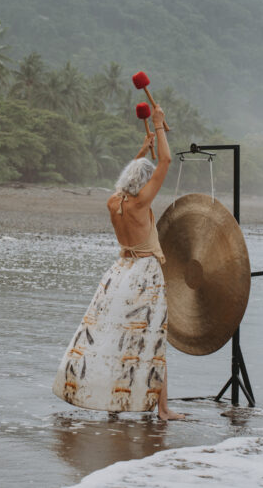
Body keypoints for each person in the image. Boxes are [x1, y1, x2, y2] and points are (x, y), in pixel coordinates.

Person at [52, 105, 184, 420]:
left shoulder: (114, 202)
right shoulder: (140, 203)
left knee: (117, 336)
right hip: (145, 274)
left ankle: (114, 400)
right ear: (145, 185)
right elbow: (165, 161)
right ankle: (163, 409)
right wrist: (159, 125)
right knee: (152, 338)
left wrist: (142, 150)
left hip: (119, 273)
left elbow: (134, 173)